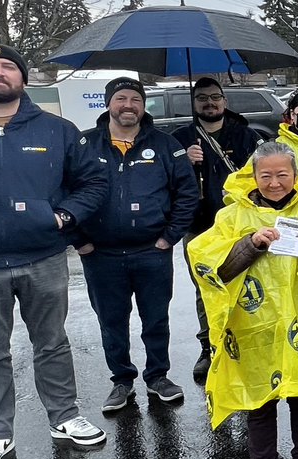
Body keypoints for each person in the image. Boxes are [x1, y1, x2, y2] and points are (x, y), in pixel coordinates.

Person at [0, 44, 108, 459]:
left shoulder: (57, 130)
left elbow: (91, 182)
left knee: (52, 342)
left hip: (43, 257)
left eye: (7, 66)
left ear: (22, 78)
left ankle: (65, 415)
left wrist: (64, 216)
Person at [188, 142, 298, 459]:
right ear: (253, 176)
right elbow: (212, 271)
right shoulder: (232, 215)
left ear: (295, 175)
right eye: (266, 175)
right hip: (253, 330)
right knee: (260, 407)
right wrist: (250, 243)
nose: (275, 183)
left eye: (282, 174)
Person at [77, 77, 198, 412]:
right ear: (108, 103)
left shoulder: (166, 144)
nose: (128, 105)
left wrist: (169, 237)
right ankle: (122, 380)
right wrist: (79, 240)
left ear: (143, 105)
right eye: (120, 99)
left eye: (134, 99)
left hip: (152, 252)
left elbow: (187, 194)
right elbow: (65, 193)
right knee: (112, 321)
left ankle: (158, 376)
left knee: (156, 319)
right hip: (100, 254)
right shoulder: (85, 144)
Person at [172, 77, 264, 382]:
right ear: (194, 103)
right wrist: (185, 162)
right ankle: (209, 346)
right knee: (206, 290)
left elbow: (263, 178)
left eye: (215, 97)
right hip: (199, 228)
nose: (209, 103)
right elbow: (167, 182)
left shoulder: (245, 135)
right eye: (202, 99)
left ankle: (245, 343)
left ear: (224, 100)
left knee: (246, 287)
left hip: (240, 228)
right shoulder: (180, 138)